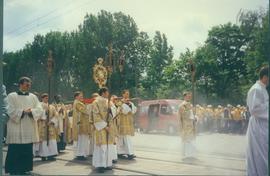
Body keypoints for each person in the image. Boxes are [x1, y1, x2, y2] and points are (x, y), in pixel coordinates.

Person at [5, 77, 43, 175]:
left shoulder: (33, 97)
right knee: (15, 149)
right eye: (27, 84)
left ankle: (25, 169)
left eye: (29, 85)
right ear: (20, 84)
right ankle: (13, 170)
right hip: (15, 127)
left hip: (28, 126)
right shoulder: (11, 96)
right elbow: (9, 110)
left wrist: (32, 111)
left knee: (27, 149)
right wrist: (22, 112)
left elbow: (39, 109)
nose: (28, 86)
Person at [246, 66, 269, 176]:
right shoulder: (256, 89)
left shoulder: (262, 88)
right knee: (259, 154)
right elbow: (254, 109)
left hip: (263, 125)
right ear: (265, 77)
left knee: (263, 153)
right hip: (258, 126)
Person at [92, 87, 115, 173]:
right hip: (101, 128)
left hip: (109, 126)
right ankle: (100, 165)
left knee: (108, 147)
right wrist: (105, 126)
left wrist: (111, 109)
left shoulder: (108, 101)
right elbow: (96, 116)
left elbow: (114, 112)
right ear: (103, 93)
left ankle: (107, 164)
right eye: (107, 92)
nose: (108, 94)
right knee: (101, 147)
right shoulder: (96, 102)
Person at [117, 89, 137, 160]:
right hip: (122, 122)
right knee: (122, 138)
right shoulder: (120, 102)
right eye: (126, 94)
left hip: (129, 122)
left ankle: (120, 152)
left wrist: (129, 105)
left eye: (128, 94)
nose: (127, 95)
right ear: (123, 94)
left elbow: (134, 110)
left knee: (125, 138)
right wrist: (125, 104)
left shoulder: (130, 103)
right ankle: (129, 153)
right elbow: (124, 111)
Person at [39, 93, 59, 161]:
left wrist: (51, 121)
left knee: (51, 141)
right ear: (42, 98)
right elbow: (37, 114)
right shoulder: (39, 105)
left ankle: (51, 155)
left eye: (47, 98)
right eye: (45, 98)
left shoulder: (51, 106)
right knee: (44, 142)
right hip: (43, 125)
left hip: (50, 125)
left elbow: (56, 114)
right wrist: (44, 115)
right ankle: (43, 155)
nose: (46, 99)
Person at [178, 91, 197, 161]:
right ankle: (186, 155)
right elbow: (184, 115)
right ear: (184, 96)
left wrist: (195, 118)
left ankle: (190, 154)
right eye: (188, 96)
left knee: (191, 140)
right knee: (186, 140)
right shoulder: (182, 105)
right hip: (185, 125)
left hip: (191, 125)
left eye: (190, 96)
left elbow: (193, 115)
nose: (190, 97)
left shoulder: (190, 105)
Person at [72, 91, 90, 160]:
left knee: (82, 139)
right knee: (82, 140)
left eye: (82, 96)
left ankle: (82, 153)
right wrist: (89, 106)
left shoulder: (78, 102)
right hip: (81, 124)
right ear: (76, 97)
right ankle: (80, 154)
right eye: (80, 96)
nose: (82, 97)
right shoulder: (78, 103)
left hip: (82, 124)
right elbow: (84, 111)